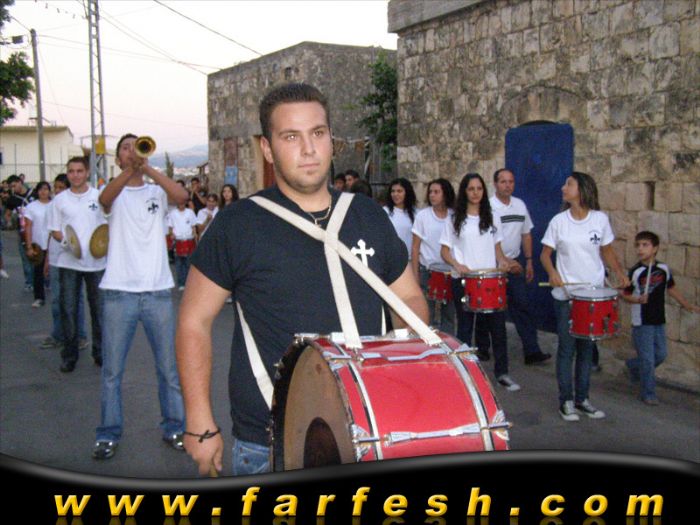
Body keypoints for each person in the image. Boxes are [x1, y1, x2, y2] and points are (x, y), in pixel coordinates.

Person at [177, 82, 428, 476]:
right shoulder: (238, 224)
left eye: (318, 133)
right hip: (270, 444)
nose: (309, 149)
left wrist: (403, 366)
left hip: (370, 429)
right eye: (291, 136)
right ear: (267, 148)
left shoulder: (368, 215)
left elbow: (409, 299)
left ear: (332, 140)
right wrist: (199, 421)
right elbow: (194, 321)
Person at [92, 133, 189, 461]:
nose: (131, 151)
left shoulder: (155, 191)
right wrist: (130, 170)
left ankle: (175, 427)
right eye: (125, 148)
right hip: (119, 292)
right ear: (118, 158)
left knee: (168, 369)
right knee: (112, 372)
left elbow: (181, 196)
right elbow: (105, 199)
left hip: (158, 291)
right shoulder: (113, 192)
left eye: (136, 146)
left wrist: (147, 169)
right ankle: (107, 434)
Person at [540, 171, 629, 422]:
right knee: (567, 349)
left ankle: (583, 399)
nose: (563, 188)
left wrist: (619, 273)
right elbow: (545, 255)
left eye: (568, 184)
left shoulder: (600, 219)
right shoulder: (559, 221)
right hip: (567, 296)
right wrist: (552, 273)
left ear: (582, 189)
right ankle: (566, 401)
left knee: (587, 350)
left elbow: (607, 251)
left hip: (592, 295)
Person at [440, 173, 520, 392]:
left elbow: (497, 250)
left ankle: (502, 373)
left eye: (479, 188)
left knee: (498, 328)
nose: (475, 193)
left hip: (490, 280)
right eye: (471, 189)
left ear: (484, 191)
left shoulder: (492, 217)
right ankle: (465, 373)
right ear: (464, 192)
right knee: (466, 328)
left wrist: (504, 263)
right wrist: (457, 265)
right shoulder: (454, 219)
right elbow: (444, 251)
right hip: (464, 280)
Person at [622, 231, 700, 406]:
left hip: (658, 318)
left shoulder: (663, 269)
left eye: (645, 245)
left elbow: (671, 288)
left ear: (655, 248)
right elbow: (625, 295)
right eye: (638, 245)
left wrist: (687, 305)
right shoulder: (636, 272)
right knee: (648, 359)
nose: (640, 249)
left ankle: (633, 366)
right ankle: (648, 393)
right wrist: (638, 299)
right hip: (642, 320)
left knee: (661, 354)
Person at [48, 157, 107, 373]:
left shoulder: (99, 196)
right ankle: (69, 355)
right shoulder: (59, 200)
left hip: (96, 263)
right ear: (68, 173)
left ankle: (99, 353)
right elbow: (55, 230)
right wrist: (69, 244)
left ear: (87, 172)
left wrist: (102, 245)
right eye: (71, 171)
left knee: (98, 311)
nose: (75, 175)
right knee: (69, 310)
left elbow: (108, 226)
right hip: (69, 262)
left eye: (79, 171)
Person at [489, 168, 551, 365]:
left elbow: (526, 234)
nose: (508, 185)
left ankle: (532, 351)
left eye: (511, 181)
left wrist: (529, 260)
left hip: (516, 264)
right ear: (495, 184)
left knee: (523, 306)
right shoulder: (488, 207)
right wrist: (503, 261)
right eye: (503, 181)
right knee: (493, 311)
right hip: (494, 266)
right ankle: (485, 350)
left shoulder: (520, 205)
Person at [41, 174, 88, 350]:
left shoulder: (76, 205)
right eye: (56, 187)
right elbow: (51, 233)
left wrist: (76, 248)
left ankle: (80, 336)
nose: (57, 191)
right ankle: (59, 334)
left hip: (73, 258)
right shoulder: (54, 205)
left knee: (76, 299)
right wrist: (47, 259)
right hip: (56, 259)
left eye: (61, 187)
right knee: (57, 300)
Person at [411, 178, 456, 334]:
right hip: (427, 271)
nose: (432, 195)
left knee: (449, 313)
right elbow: (415, 247)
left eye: (436, 192)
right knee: (426, 313)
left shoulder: (454, 216)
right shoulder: (422, 216)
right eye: (430, 192)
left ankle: (448, 341)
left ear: (445, 194)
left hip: (449, 271)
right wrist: (415, 274)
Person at [23, 181, 52, 308]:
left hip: (53, 244)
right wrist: (29, 246)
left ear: (49, 191)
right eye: (41, 189)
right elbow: (28, 226)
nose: (43, 192)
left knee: (54, 272)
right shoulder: (31, 207)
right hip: (38, 244)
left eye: (46, 189)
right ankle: (39, 297)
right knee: (38, 272)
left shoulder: (54, 205)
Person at [5, 174, 35, 291]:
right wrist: (9, 221)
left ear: (20, 182)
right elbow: (7, 214)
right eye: (11, 187)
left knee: (39, 255)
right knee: (25, 256)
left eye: (14, 185)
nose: (13, 188)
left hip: (37, 228)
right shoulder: (13, 199)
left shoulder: (34, 194)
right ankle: (29, 281)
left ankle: (42, 280)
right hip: (22, 231)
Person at [384, 177, 418, 259]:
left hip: (410, 259)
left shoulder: (417, 213)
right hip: (390, 259)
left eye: (399, 191)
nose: (395, 194)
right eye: (393, 191)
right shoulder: (384, 212)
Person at [168, 200, 197, 291]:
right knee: (179, 264)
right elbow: (170, 227)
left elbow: (193, 226)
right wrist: (172, 235)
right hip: (178, 240)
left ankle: (189, 283)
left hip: (189, 239)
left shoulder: (190, 212)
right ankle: (181, 283)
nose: (181, 204)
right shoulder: (173, 213)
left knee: (189, 263)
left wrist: (195, 237)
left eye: (183, 202)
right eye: (180, 203)